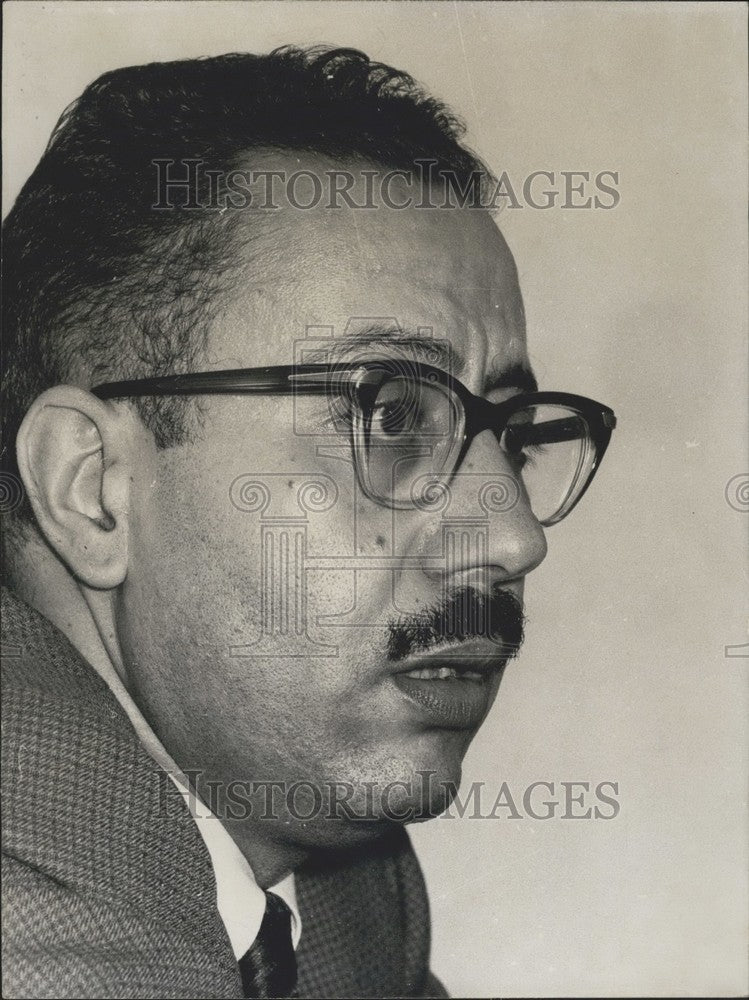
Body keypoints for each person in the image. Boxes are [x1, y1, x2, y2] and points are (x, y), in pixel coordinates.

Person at [0, 45, 616, 998]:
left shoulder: (345, 901)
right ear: (92, 488)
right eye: (392, 415)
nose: (514, 540)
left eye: (509, 434)